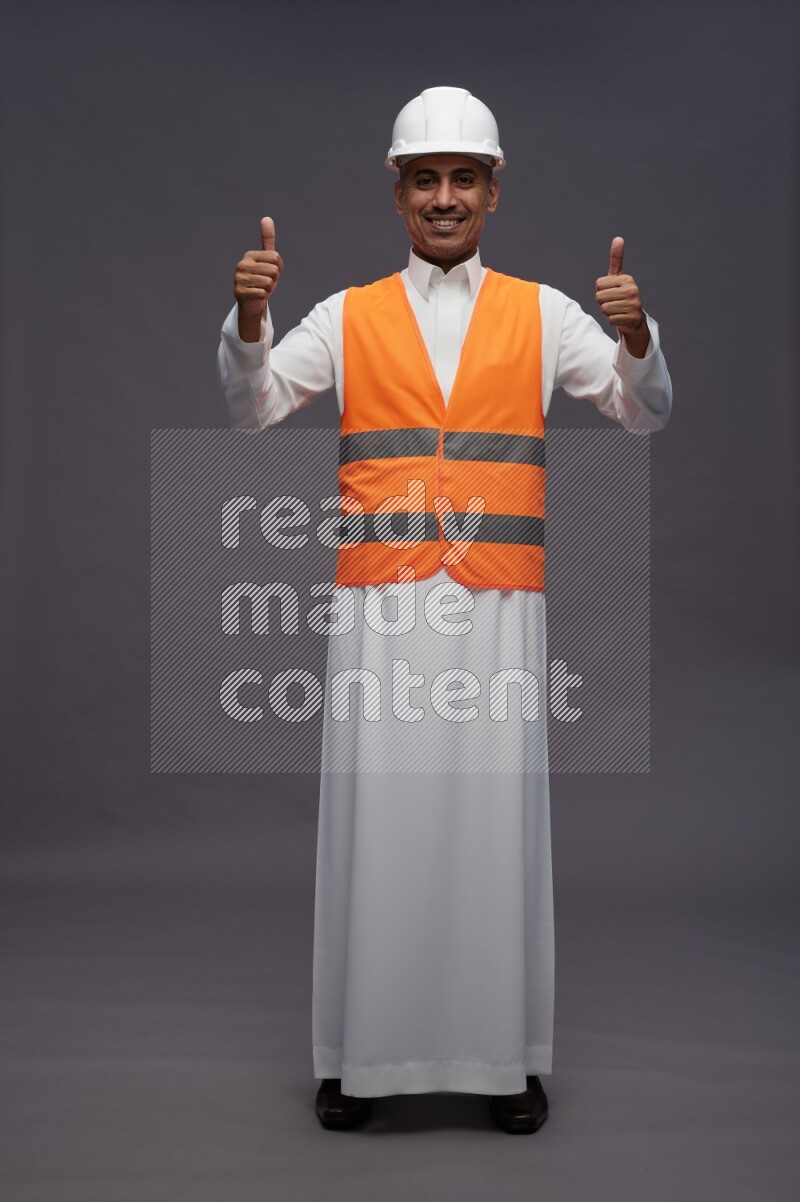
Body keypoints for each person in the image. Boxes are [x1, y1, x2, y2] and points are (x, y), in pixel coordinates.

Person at [217, 86, 672, 1134]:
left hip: (497, 613)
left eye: (463, 177)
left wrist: (638, 334)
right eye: (424, 178)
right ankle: (354, 1058)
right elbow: (251, 409)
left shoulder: (548, 310)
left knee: (492, 826)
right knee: (374, 826)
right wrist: (249, 321)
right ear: (397, 194)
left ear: (492, 192)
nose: (443, 196)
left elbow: (641, 413)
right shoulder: (344, 312)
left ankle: (502, 1058)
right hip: (379, 609)